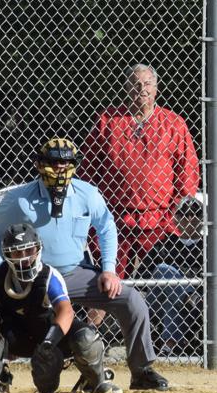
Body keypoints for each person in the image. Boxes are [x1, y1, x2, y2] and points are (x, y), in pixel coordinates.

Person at [0, 137, 169, 393]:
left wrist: (109, 269)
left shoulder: (88, 194)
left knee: (131, 300)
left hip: (73, 272)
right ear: (40, 165)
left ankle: (141, 371)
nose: (60, 167)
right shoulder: (20, 199)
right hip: (28, 275)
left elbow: (107, 227)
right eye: (54, 162)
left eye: (66, 162)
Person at [0, 223, 121, 393]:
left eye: (29, 251)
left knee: (85, 338)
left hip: (49, 338)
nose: (24, 257)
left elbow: (66, 311)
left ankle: (96, 380)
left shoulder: (48, 275)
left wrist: (49, 342)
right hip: (17, 337)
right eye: (17, 252)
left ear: (38, 250)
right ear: (7, 254)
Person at [79, 63, 199, 278]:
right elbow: (88, 168)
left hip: (159, 219)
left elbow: (187, 173)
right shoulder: (108, 121)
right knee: (103, 282)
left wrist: (173, 216)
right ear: (126, 88)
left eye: (147, 83)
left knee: (162, 281)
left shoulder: (174, 124)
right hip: (114, 217)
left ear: (156, 88)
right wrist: (95, 208)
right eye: (135, 84)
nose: (141, 89)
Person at [135, 194, 204, 356]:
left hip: (193, 303)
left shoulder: (206, 247)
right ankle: (171, 344)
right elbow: (142, 276)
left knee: (172, 296)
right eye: (183, 214)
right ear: (175, 219)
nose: (189, 219)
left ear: (202, 218)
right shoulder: (165, 244)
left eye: (195, 214)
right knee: (163, 271)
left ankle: (169, 345)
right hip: (160, 299)